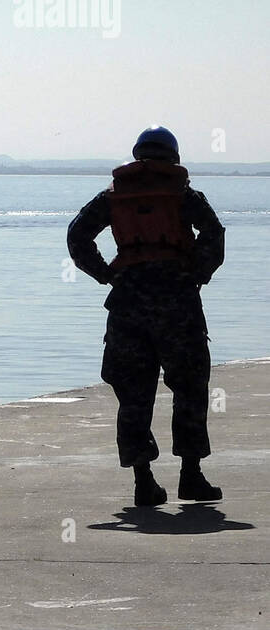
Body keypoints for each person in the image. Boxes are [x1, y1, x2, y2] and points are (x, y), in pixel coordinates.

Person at [67, 126, 225, 506]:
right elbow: (213, 234)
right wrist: (196, 275)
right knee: (189, 388)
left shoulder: (113, 196)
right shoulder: (183, 194)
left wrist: (107, 274)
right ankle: (191, 476)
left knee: (134, 395)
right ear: (173, 156)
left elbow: (77, 236)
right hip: (178, 303)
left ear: (138, 155)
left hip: (128, 304)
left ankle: (144, 482)